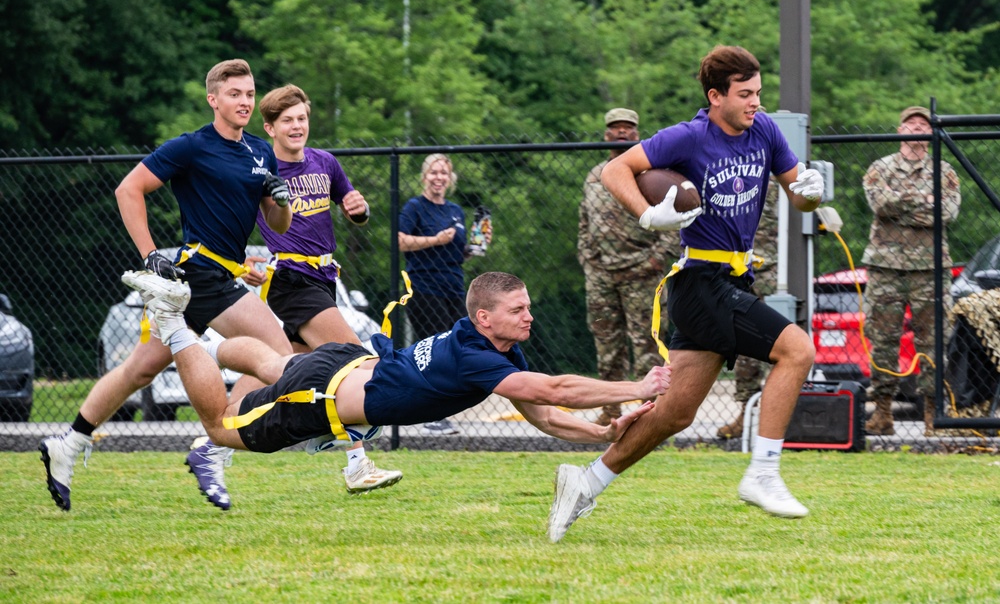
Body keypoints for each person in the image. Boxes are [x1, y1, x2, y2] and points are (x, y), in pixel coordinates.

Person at [548, 45, 826, 542]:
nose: (755, 103)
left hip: (733, 281)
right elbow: (617, 171)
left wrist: (811, 191)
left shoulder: (763, 130)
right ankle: (762, 473)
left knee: (675, 413)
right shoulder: (689, 137)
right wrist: (647, 213)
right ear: (715, 96)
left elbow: (799, 198)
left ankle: (585, 481)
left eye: (758, 92)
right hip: (701, 282)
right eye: (744, 94)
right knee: (797, 350)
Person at [126, 270, 672, 508]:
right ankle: (174, 322)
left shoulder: (489, 348)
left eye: (527, 306)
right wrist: (636, 384)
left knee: (275, 361)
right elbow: (558, 388)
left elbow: (548, 416)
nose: (530, 315)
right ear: (484, 317)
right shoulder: (478, 360)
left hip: (345, 361)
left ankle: (210, 344)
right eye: (518, 309)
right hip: (322, 400)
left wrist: (602, 432)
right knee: (220, 426)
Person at [40, 59, 295, 513]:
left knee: (141, 369)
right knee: (276, 353)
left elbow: (276, 222)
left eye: (250, 94)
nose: (245, 102)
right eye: (234, 94)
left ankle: (68, 442)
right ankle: (214, 446)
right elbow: (128, 189)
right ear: (213, 99)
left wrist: (281, 199)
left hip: (219, 275)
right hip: (194, 273)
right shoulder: (191, 146)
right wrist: (149, 254)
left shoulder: (261, 152)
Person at [255, 84, 401, 491]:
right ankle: (357, 463)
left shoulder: (325, 162)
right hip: (290, 279)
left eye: (302, 118)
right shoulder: (262, 174)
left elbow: (353, 206)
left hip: (325, 278)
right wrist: (245, 264)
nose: (297, 125)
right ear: (270, 128)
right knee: (353, 361)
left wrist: (360, 208)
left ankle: (214, 444)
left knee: (281, 374)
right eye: (287, 121)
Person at [861, 105, 961, 436]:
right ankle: (883, 413)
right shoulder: (879, 167)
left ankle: (933, 415)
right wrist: (922, 201)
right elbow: (879, 204)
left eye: (923, 125)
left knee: (932, 343)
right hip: (885, 268)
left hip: (929, 269)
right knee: (883, 340)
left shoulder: (944, 171)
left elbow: (945, 212)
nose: (917, 129)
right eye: (911, 124)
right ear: (900, 131)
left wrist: (900, 205)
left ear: (931, 135)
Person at [578, 108, 680, 426]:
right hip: (601, 274)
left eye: (628, 128)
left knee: (647, 342)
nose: (621, 133)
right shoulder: (595, 176)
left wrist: (655, 258)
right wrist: (588, 258)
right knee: (607, 343)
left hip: (642, 274)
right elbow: (584, 222)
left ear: (637, 134)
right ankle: (611, 410)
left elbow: (675, 224)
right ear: (606, 134)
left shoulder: (652, 175)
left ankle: (650, 412)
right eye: (614, 128)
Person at [398, 153, 489, 436]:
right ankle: (431, 415)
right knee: (435, 351)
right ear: (425, 176)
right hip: (424, 287)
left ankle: (437, 411)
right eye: (434, 172)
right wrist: (435, 240)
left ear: (450, 179)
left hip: (453, 287)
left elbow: (459, 254)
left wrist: (477, 245)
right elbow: (400, 241)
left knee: (460, 345)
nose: (439, 177)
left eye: (444, 173)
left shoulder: (455, 210)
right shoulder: (415, 207)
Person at [716, 178, 779, 439]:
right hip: (731, 267)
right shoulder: (724, 171)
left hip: (773, 270)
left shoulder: (779, 173)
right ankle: (746, 413)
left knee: (780, 344)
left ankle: (778, 418)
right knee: (743, 342)